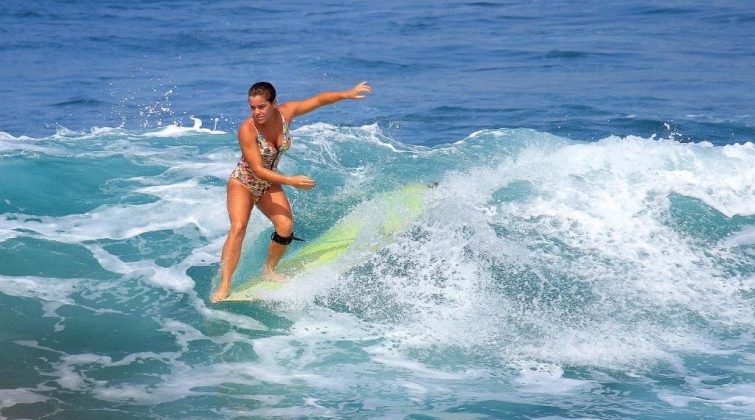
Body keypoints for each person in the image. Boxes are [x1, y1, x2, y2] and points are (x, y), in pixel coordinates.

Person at [211, 81, 373, 302]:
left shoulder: (286, 113)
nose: (256, 112)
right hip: (244, 182)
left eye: (261, 107)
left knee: (285, 227)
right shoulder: (247, 129)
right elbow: (258, 169)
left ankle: (268, 270)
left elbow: (318, 100)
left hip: (268, 183)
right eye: (252, 107)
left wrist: (346, 94)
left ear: (273, 104)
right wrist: (291, 181)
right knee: (238, 228)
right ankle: (225, 284)